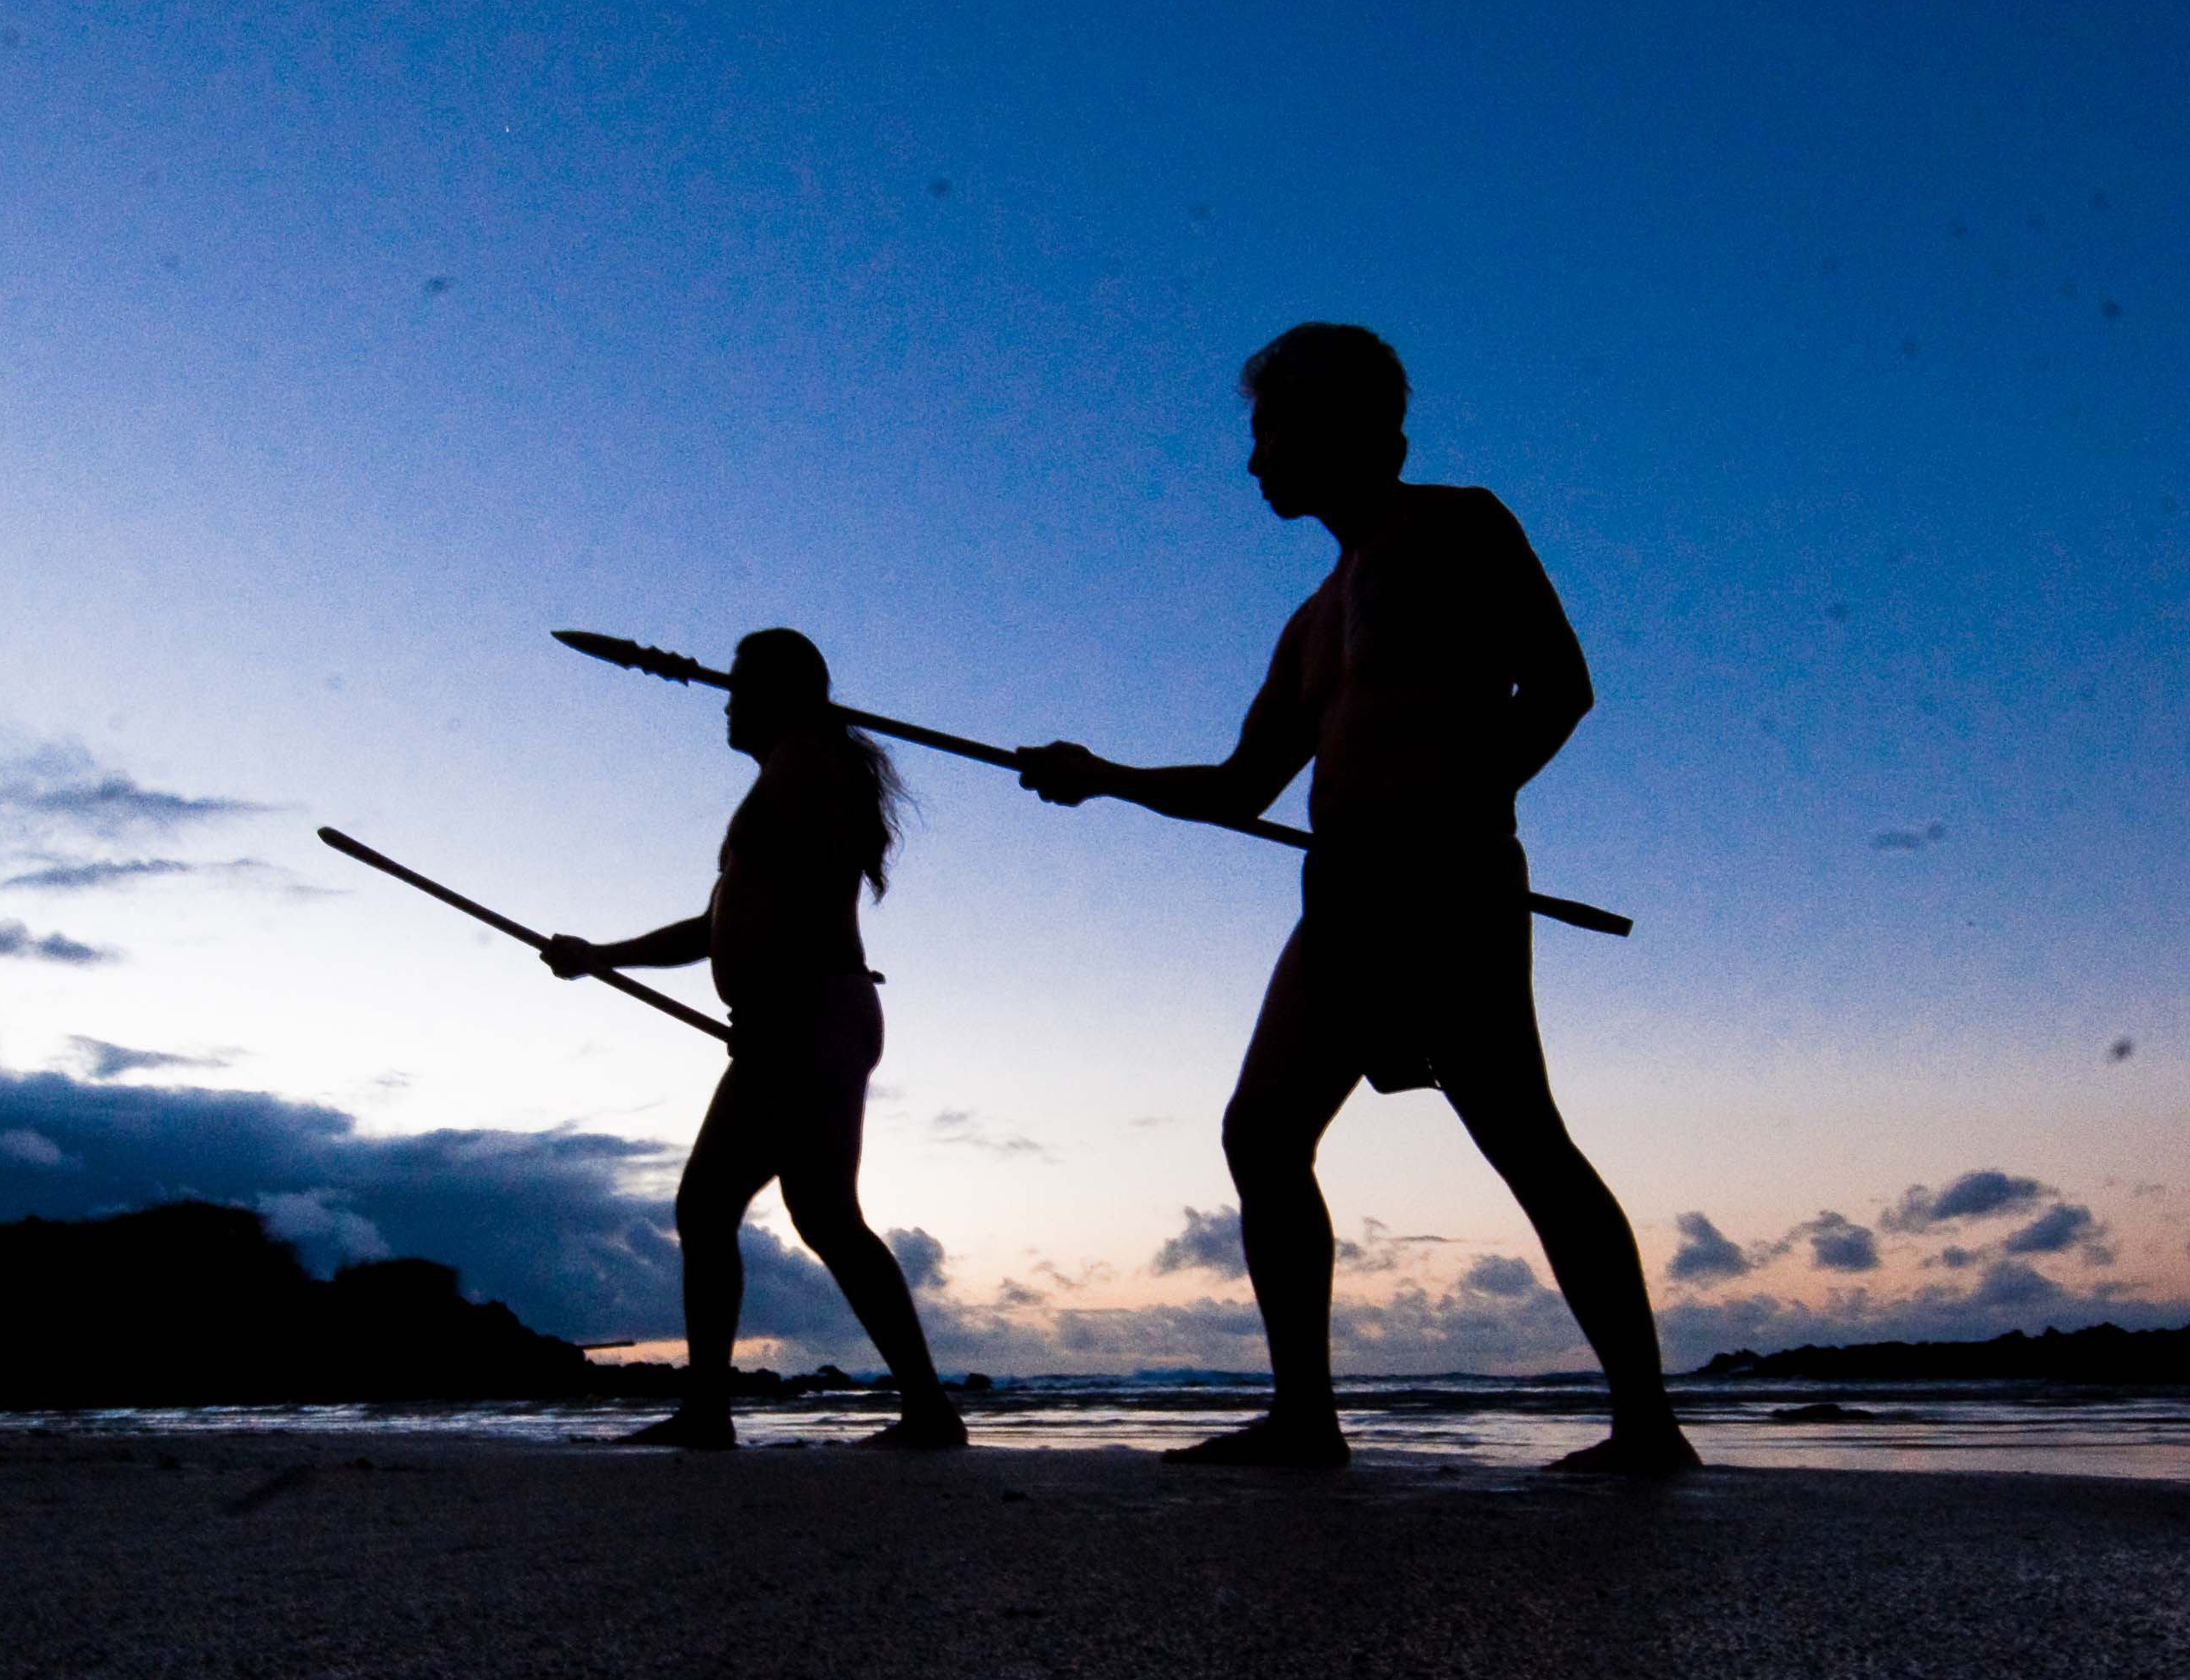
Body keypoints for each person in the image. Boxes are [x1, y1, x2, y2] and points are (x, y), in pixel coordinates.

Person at [1019, 325, 1697, 1477]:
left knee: (1523, 1139)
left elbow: (1562, 687)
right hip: (1337, 897)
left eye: (1269, 434)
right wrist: (1107, 779)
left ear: (1343, 425)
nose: (1254, 465)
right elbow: (1242, 786)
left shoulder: (1460, 523)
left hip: (1448, 880)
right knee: (1263, 1133)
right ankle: (1305, 1419)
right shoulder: (1308, 620)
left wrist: (1462, 810)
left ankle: (1647, 1425)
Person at [544, 627, 966, 1452]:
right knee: (822, 1217)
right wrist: (602, 957)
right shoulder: (794, 770)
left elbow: (800, 899)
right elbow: (717, 923)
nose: (725, 703)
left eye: (737, 686)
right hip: (809, 1014)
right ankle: (924, 1410)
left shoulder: (805, 763)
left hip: (806, 1014)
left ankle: (711, 1414)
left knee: (711, 1206)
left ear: (778, 694)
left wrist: (775, 1005)